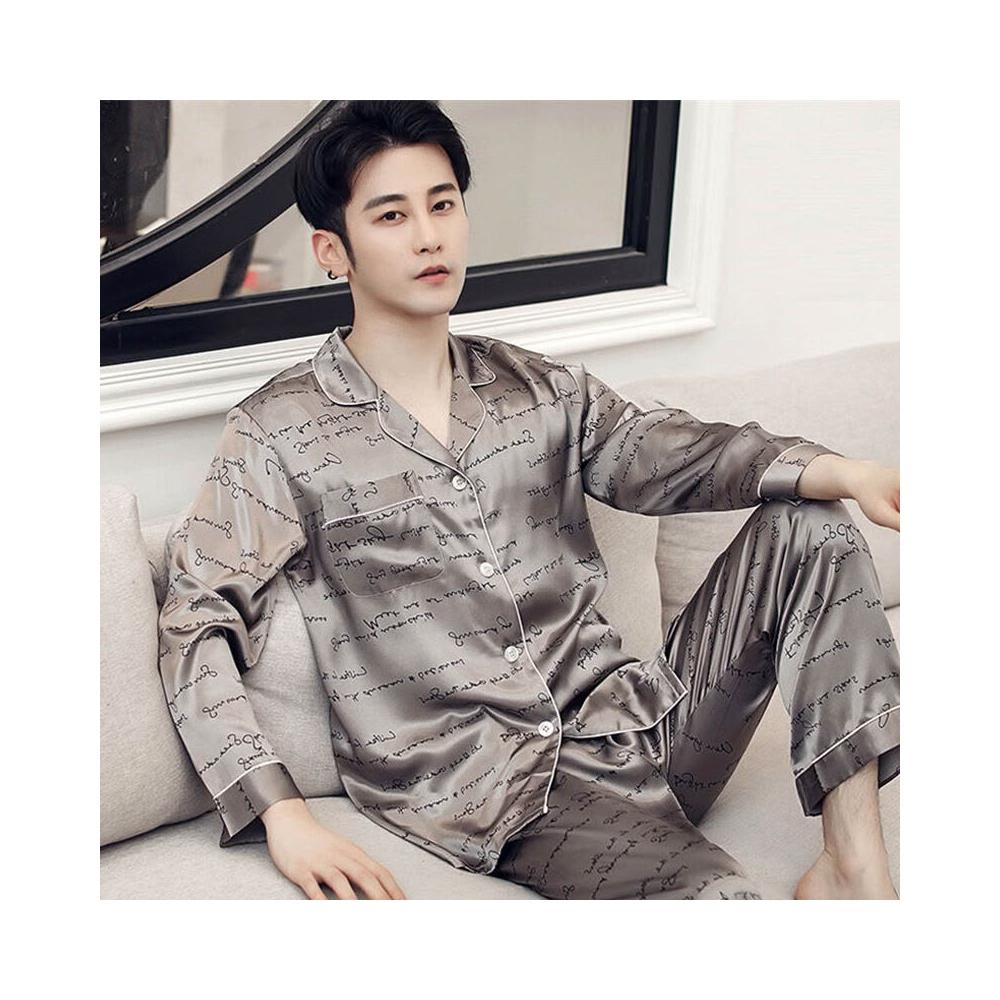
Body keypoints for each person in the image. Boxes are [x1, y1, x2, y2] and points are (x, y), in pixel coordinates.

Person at [157, 100, 900, 901]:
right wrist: (282, 812)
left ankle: (852, 864)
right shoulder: (278, 432)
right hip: (499, 791)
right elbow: (195, 620)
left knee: (812, 526)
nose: (429, 236)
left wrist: (845, 470)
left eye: (443, 205)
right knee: (724, 903)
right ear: (333, 251)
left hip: (639, 727)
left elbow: (661, 450)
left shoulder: (537, 388)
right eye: (392, 215)